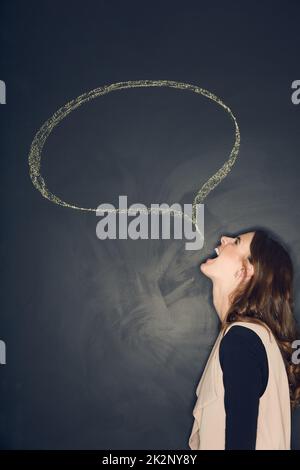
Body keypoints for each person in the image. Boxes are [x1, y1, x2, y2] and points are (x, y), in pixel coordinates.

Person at [188, 228, 300, 450]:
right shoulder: (251, 336)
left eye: (237, 242)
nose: (224, 239)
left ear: (247, 270)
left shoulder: (241, 340)